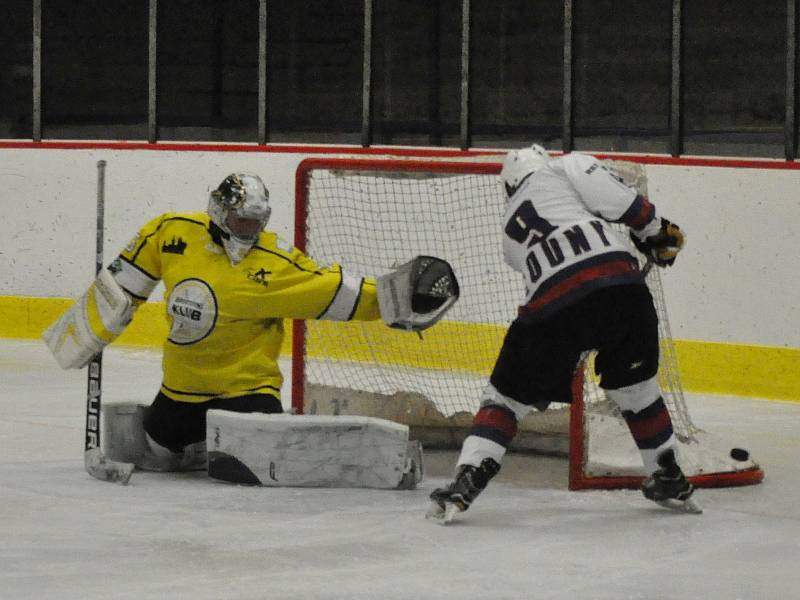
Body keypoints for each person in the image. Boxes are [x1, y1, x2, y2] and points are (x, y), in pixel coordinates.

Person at [44, 173, 457, 473]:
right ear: (220, 213)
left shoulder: (274, 264)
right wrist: (89, 331)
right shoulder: (172, 234)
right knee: (160, 455)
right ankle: (201, 442)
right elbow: (123, 284)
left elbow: (335, 290)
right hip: (181, 390)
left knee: (254, 470)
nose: (251, 230)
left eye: (258, 222)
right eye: (243, 221)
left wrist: (396, 298)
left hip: (248, 392)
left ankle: (232, 439)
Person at [428, 145, 692, 521]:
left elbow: (556, 263)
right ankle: (669, 475)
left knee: (505, 399)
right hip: (623, 288)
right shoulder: (563, 167)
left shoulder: (508, 233)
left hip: (552, 306)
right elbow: (617, 200)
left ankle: (469, 474)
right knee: (637, 390)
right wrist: (655, 230)